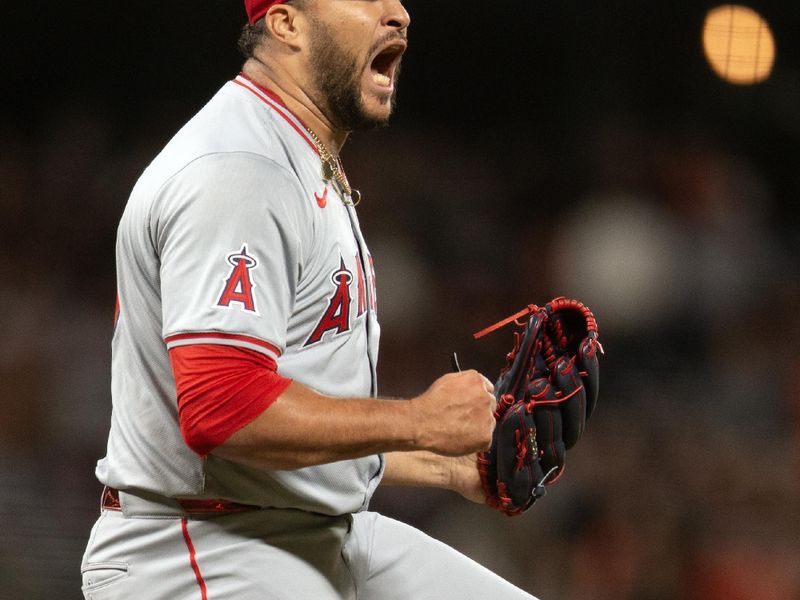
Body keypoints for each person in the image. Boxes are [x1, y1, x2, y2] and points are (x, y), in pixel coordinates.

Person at [81, 1, 539, 598]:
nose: (399, 12)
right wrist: (419, 422)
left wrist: (444, 464)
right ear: (286, 23)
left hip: (296, 526)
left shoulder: (294, 150)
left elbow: (293, 412)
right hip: (201, 548)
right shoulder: (242, 170)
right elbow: (224, 411)